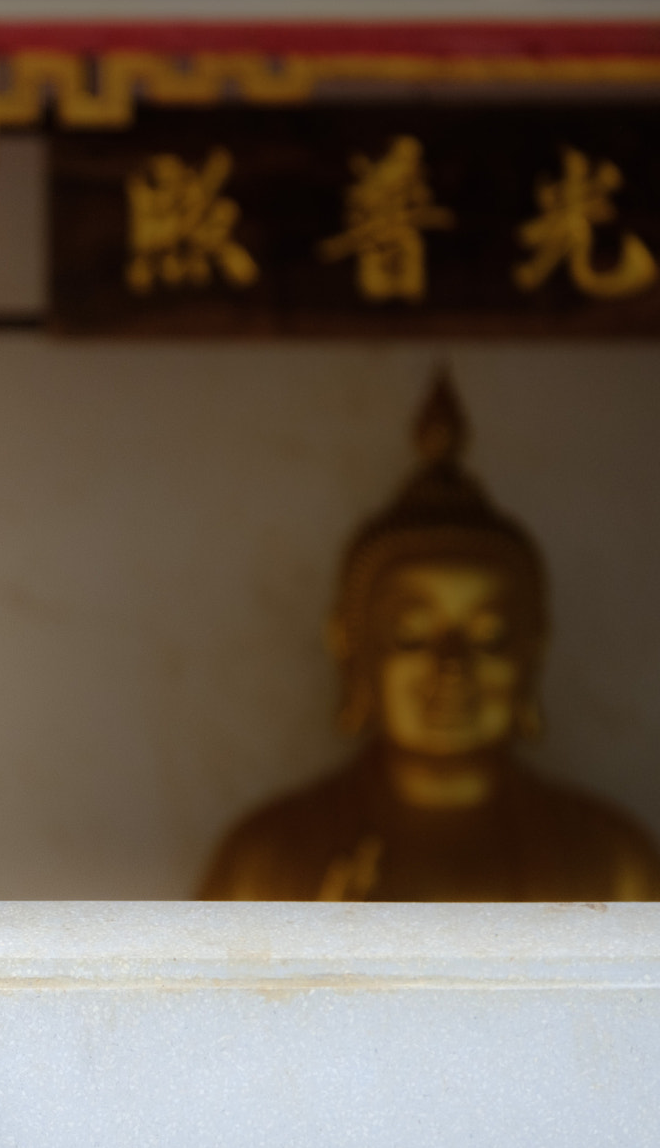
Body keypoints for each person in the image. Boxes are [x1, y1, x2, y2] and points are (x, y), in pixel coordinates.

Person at [199, 374, 660, 902]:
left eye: (490, 638)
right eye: (411, 636)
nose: (452, 666)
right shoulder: (267, 858)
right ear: (351, 646)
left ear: (533, 651)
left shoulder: (611, 862)